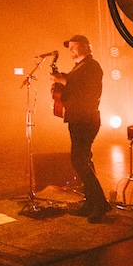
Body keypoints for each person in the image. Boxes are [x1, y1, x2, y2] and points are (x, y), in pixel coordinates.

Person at [50, 34, 110, 223]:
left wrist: (63, 80)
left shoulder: (92, 66)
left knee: (78, 160)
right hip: (77, 118)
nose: (71, 51)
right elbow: (72, 87)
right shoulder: (78, 68)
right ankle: (91, 202)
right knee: (84, 159)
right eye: (70, 48)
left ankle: (100, 203)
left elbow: (85, 90)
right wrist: (59, 84)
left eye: (74, 47)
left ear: (86, 47)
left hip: (86, 118)